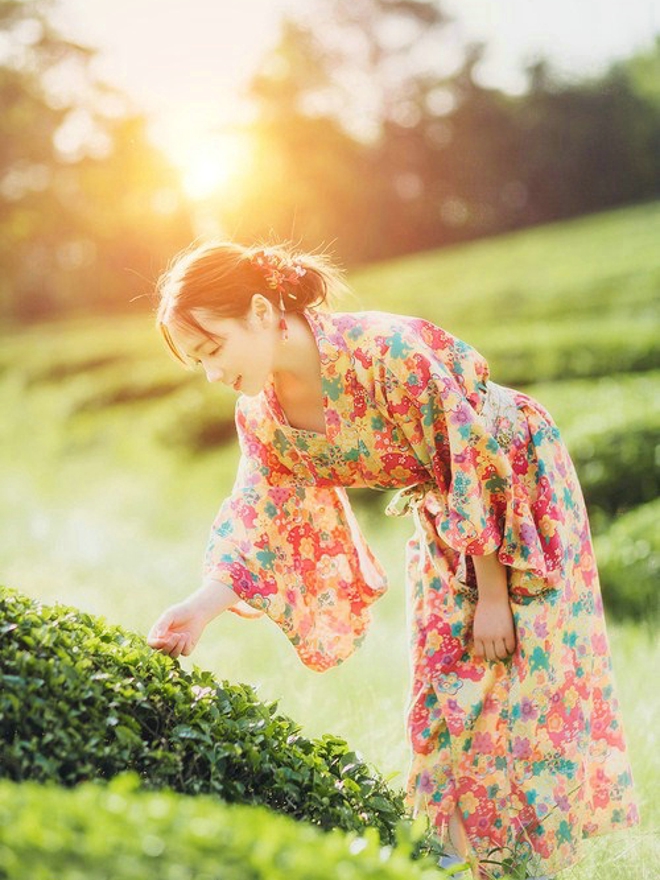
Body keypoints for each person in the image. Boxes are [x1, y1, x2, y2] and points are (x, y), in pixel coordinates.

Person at [147, 240, 639, 879]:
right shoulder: (262, 416)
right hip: (448, 519)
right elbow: (257, 512)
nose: (212, 374)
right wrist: (201, 607)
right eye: (197, 364)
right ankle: (455, 864)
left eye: (212, 349)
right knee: (442, 686)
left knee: (521, 677)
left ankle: (524, 866)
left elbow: (469, 457)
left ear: (263, 311)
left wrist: (494, 595)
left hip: (515, 485)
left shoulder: (385, 352)